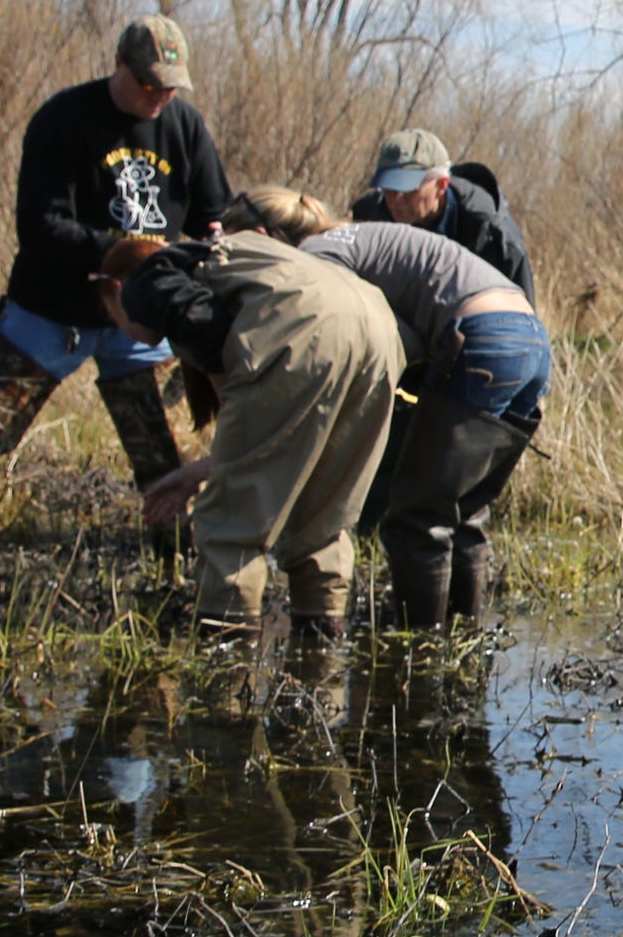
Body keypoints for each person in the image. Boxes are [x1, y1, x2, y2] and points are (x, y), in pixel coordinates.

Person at [0, 15, 233, 565]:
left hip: (144, 320)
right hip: (50, 312)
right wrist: (123, 255)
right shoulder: (63, 119)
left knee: (172, 460)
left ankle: (184, 564)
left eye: (170, 84)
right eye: (148, 81)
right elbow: (38, 227)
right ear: (119, 65)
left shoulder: (185, 126)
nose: (159, 94)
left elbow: (212, 216)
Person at [229, 188, 552, 629]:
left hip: (482, 336)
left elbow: (368, 340)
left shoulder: (315, 258)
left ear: (267, 238)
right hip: (530, 338)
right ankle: (462, 638)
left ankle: (417, 650)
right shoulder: (354, 239)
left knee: (414, 519)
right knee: (462, 511)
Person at [103, 225, 403, 645]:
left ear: (114, 290)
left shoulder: (148, 281)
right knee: (324, 517)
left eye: (113, 318)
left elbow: (208, 332)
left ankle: (226, 678)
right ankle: (320, 659)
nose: (123, 330)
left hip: (303, 327)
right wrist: (199, 471)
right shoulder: (236, 260)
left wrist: (226, 460)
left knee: (231, 526)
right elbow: (274, 438)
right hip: (377, 327)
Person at [348, 129, 535, 295]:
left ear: (441, 185)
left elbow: (523, 323)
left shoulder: (495, 237)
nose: (395, 199)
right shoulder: (366, 220)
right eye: (388, 188)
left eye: (406, 189)